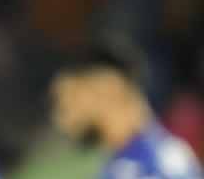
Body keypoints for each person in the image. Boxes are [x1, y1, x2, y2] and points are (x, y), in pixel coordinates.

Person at [51, 39, 203, 179]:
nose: (62, 118)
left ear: (107, 87)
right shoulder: (130, 162)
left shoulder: (149, 167)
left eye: (71, 100)